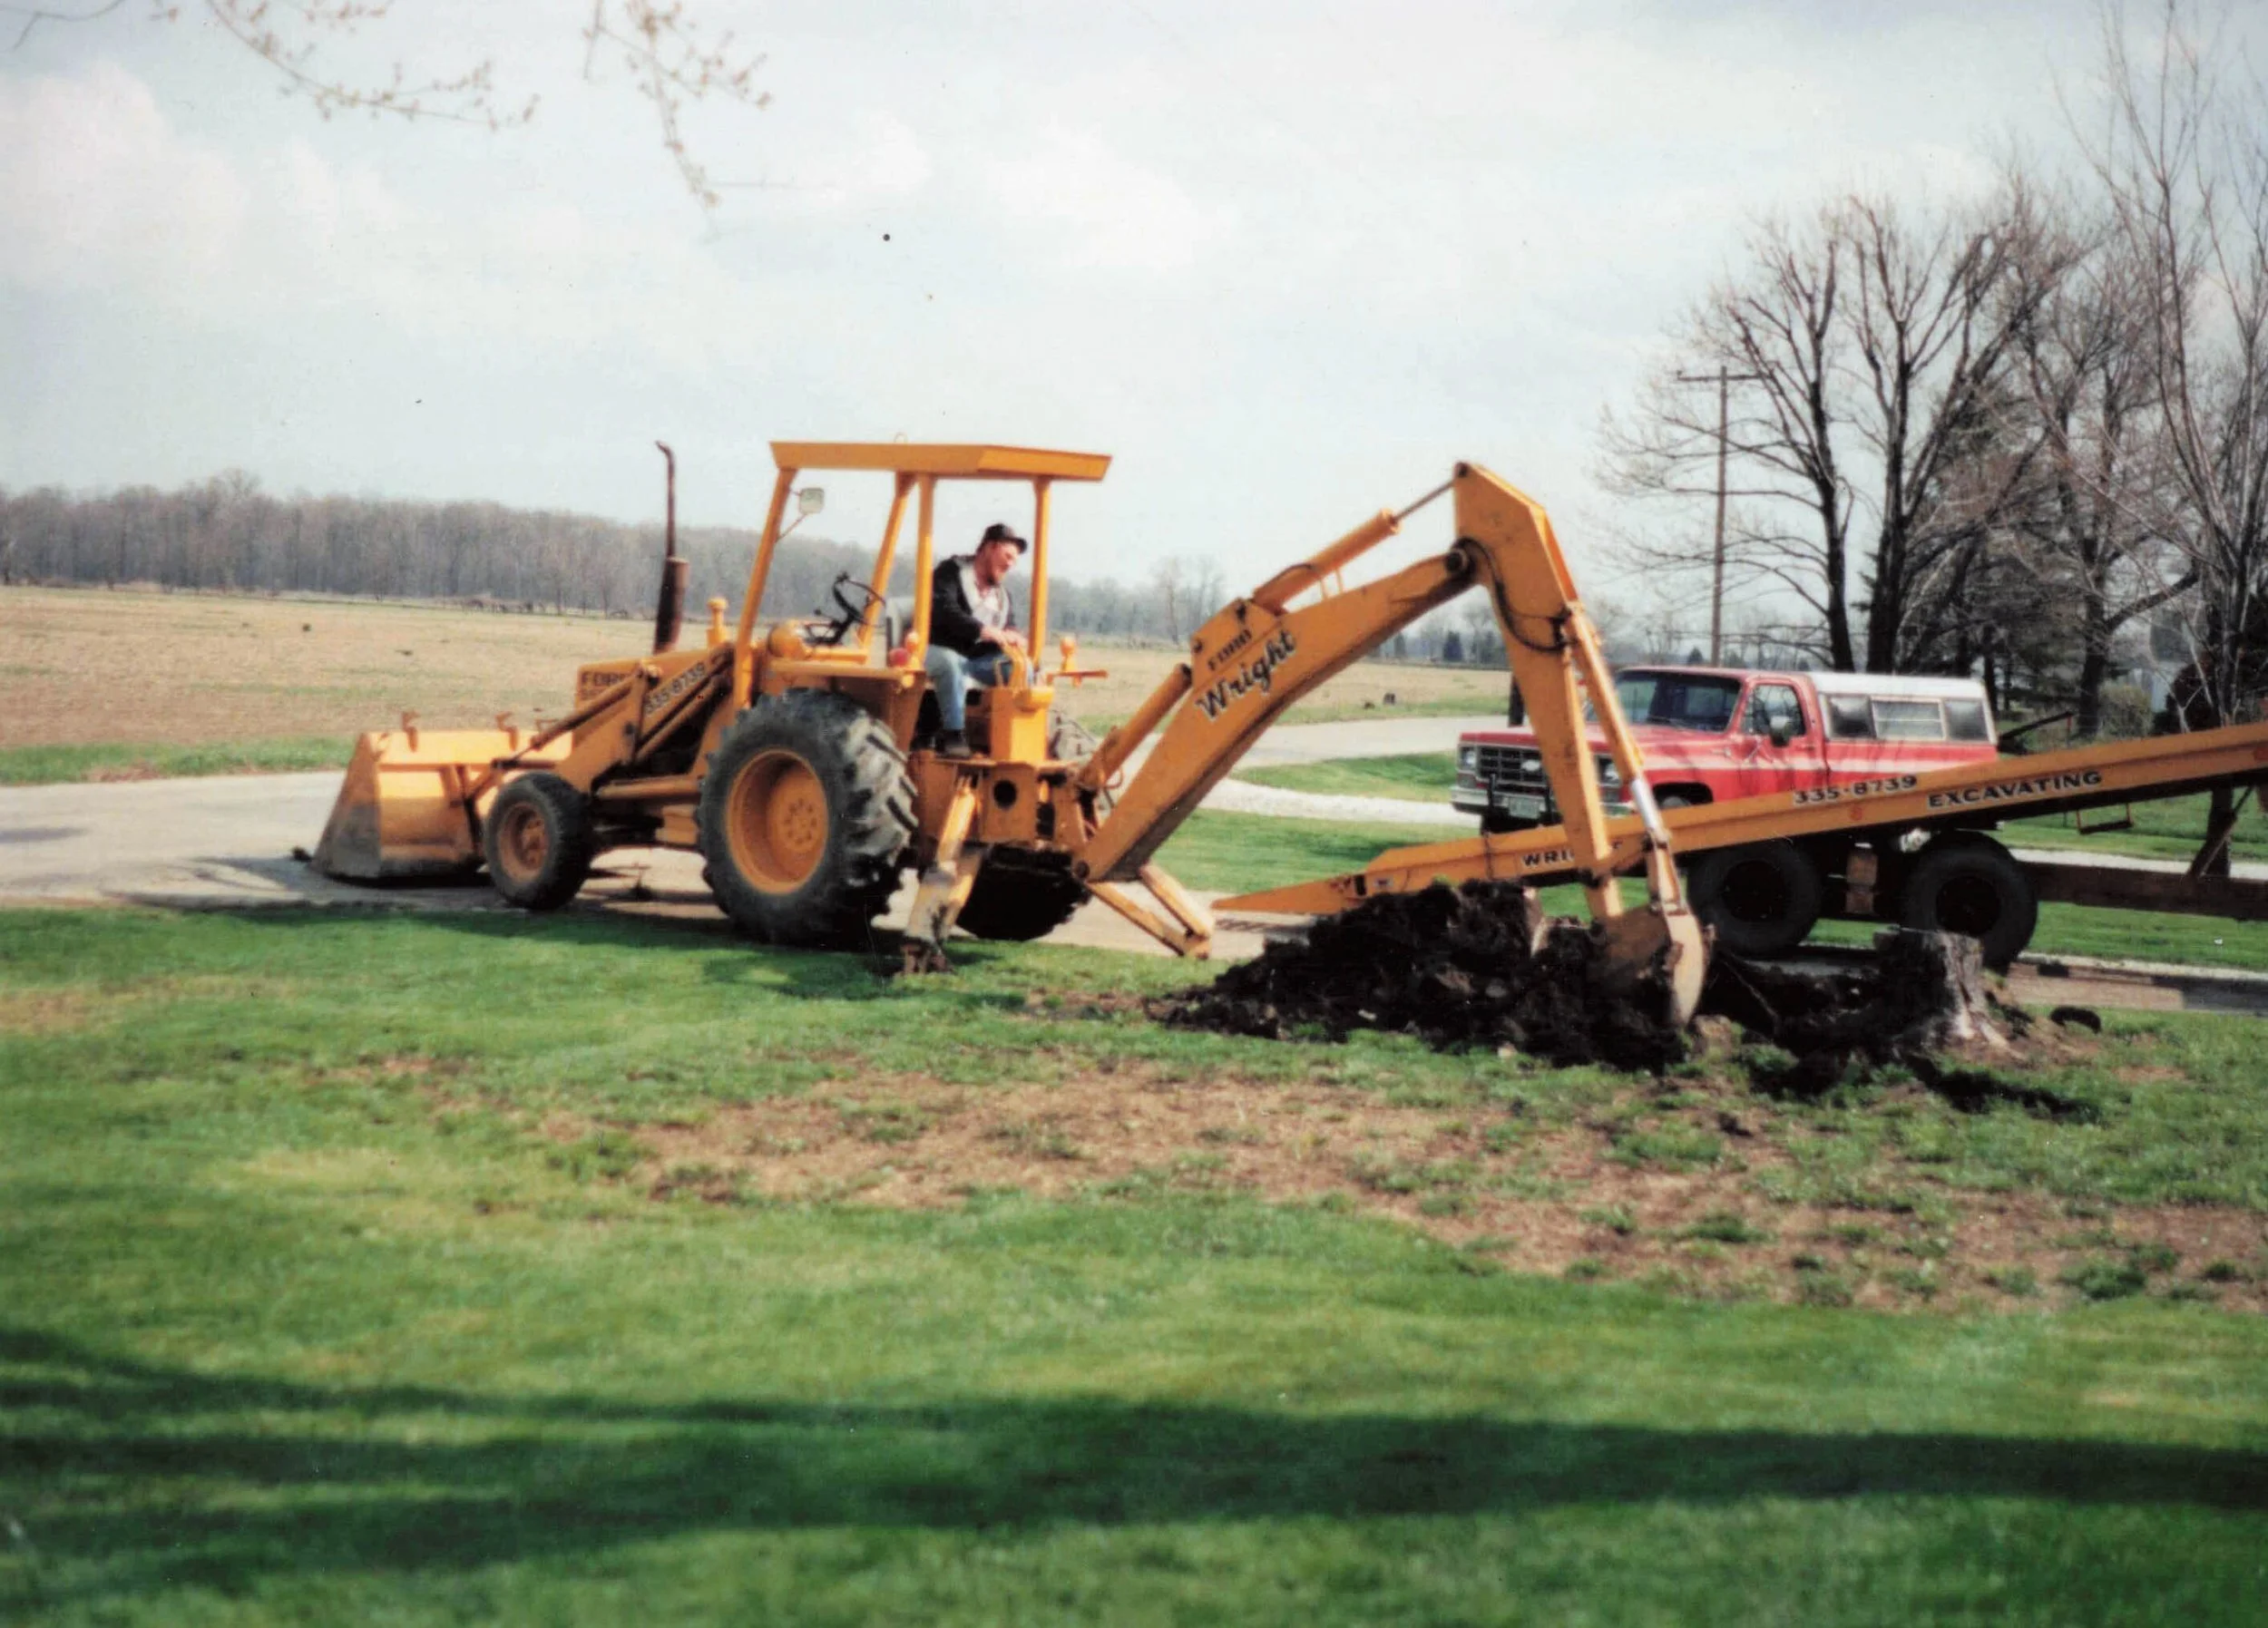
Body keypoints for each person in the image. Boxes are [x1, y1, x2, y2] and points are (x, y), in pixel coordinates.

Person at [925, 521, 1029, 757]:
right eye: (1008, 556)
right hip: (937, 650)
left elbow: (1008, 623)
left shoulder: (1001, 594)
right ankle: (954, 734)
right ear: (990, 548)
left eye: (1014, 560)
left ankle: (1017, 738)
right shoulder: (949, 573)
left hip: (976, 661)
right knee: (951, 664)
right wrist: (981, 630)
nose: (1011, 564)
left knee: (1020, 666)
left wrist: (1013, 635)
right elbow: (944, 608)